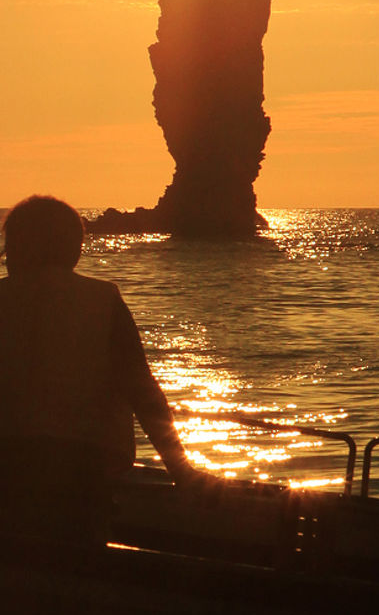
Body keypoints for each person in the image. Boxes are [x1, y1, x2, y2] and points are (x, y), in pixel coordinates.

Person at [0, 195, 219, 545]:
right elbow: (142, 390)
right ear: (73, 250)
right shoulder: (102, 301)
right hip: (84, 469)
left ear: (18, 248)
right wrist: (180, 469)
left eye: (8, 247)